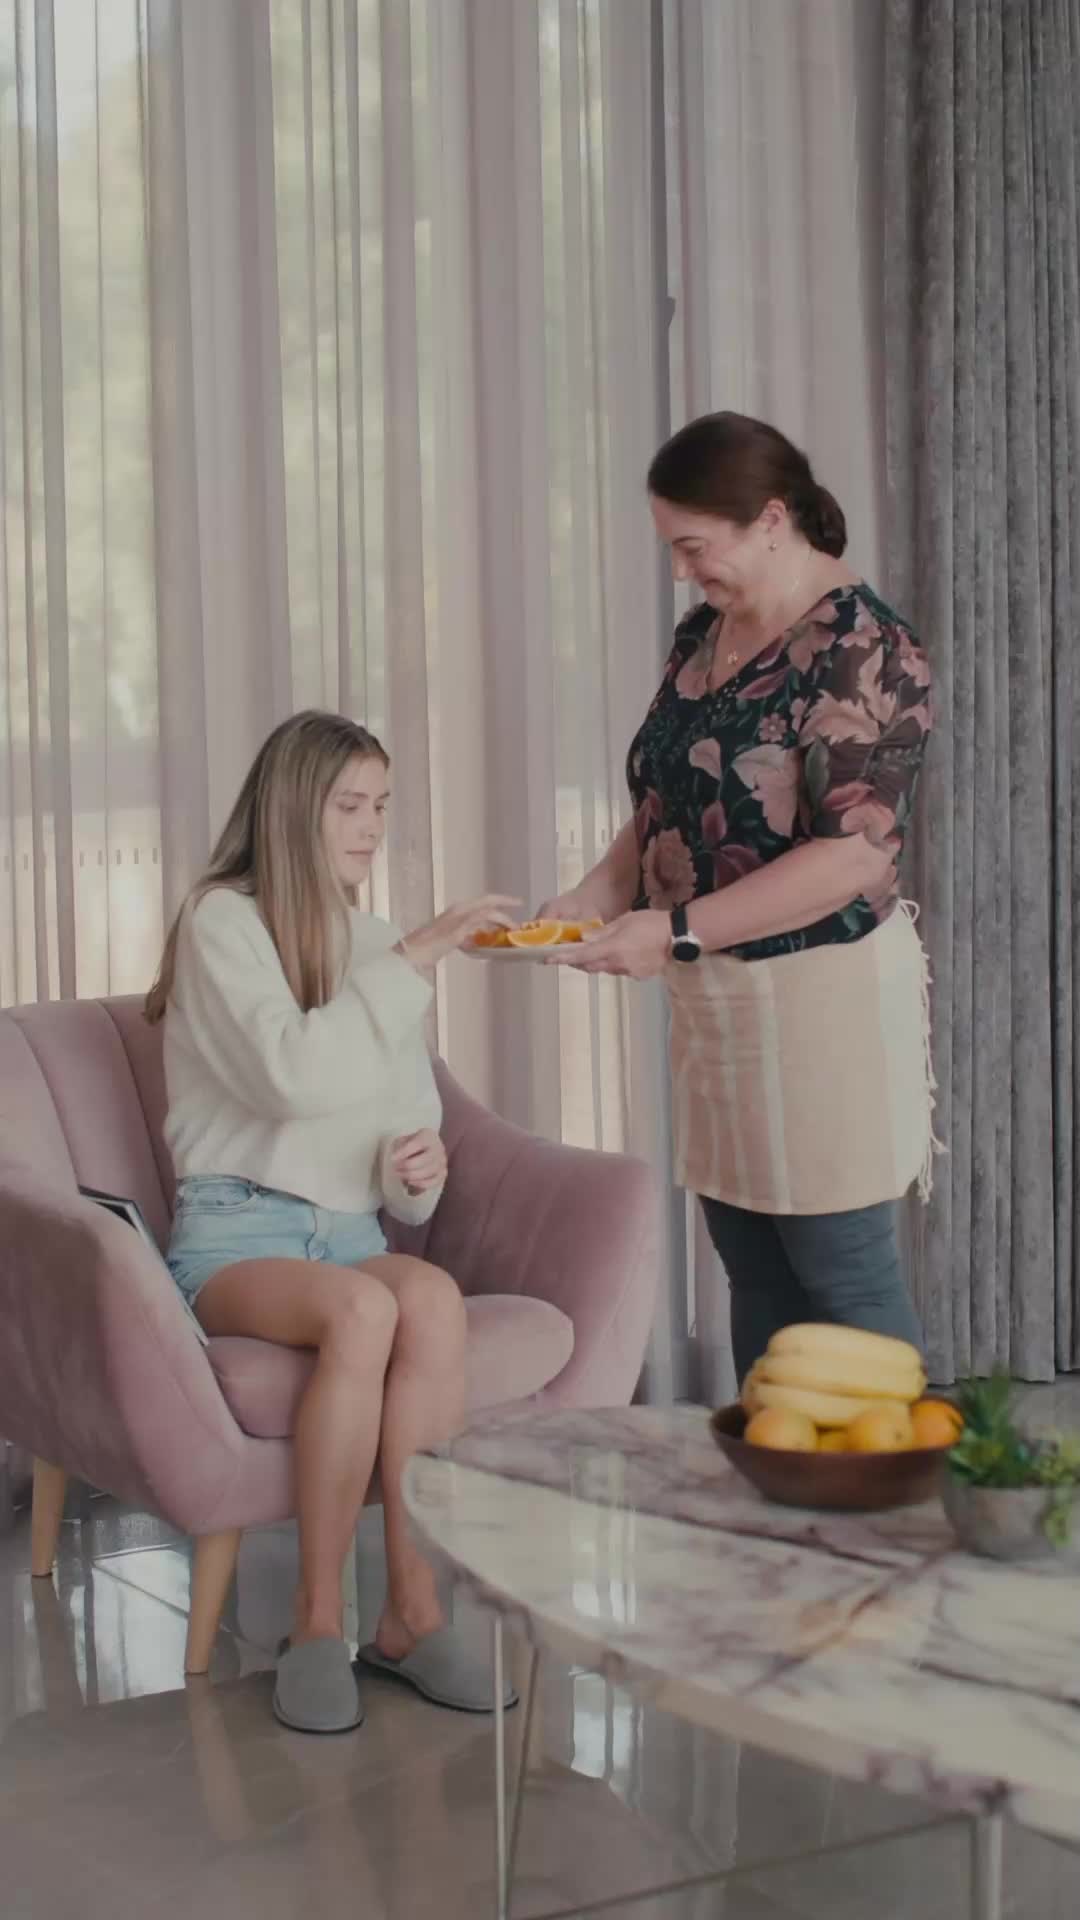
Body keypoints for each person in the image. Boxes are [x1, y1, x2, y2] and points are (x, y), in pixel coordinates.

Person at [543, 411, 934, 1385]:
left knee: (839, 1274)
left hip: (819, 999)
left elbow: (848, 858)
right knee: (754, 1271)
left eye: (693, 547)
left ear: (770, 519)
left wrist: (673, 931)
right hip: (715, 998)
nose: (683, 571)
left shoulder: (865, 646)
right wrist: (593, 895)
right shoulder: (706, 632)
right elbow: (668, 798)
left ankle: (898, 1479)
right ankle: (779, 1469)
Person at [145, 710, 517, 1733]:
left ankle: (409, 1615)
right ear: (291, 809)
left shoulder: (376, 943)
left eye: (381, 806)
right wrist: (423, 951)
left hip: (351, 1233)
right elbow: (293, 1078)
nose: (370, 827)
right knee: (361, 1312)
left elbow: (403, 1140)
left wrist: (416, 1171)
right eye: (349, 805)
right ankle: (314, 1623)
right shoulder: (221, 922)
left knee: (430, 1300)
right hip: (235, 1234)